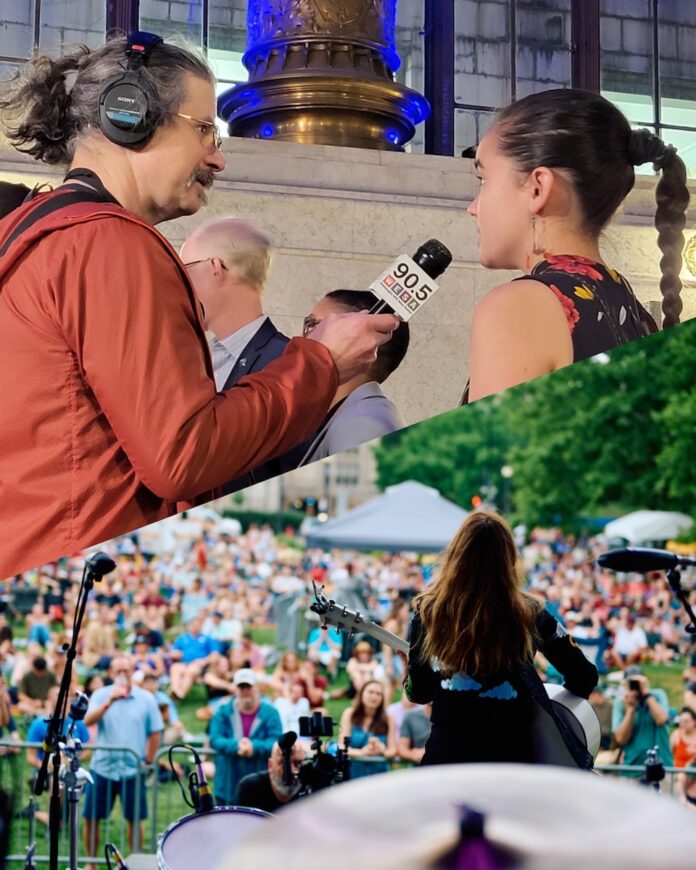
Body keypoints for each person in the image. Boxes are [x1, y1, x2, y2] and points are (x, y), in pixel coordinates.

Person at [0, 34, 400, 577]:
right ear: (131, 115)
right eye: (205, 130)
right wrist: (320, 363)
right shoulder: (110, 244)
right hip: (87, 585)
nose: (218, 157)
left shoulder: (34, 231)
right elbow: (181, 457)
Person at [464, 88, 690, 402]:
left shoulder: (519, 307)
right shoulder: (636, 316)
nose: (473, 207)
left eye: (484, 180)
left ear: (538, 188)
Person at [404, 509, 598, 765]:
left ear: (455, 556)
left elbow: (420, 693)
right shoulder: (531, 614)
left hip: (447, 759)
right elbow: (584, 677)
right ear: (508, 558)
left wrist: (410, 675)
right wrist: (544, 702)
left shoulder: (427, 612)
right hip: (511, 761)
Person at [300, 290, 410, 463]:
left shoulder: (363, 424)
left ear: (363, 345)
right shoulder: (354, 416)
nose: (300, 339)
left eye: (313, 324)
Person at [82, 656, 163, 860]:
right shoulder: (101, 695)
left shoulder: (146, 698)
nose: (122, 674)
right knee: (91, 818)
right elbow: (88, 721)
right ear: (110, 673)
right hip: (102, 768)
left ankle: (136, 862)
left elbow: (156, 731)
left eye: (126, 670)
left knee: (135, 820)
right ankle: (91, 863)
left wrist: (149, 759)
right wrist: (109, 701)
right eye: (117, 670)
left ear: (131, 672)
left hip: (132, 769)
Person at [209, 668, 282, 805]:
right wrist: (236, 746)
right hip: (227, 785)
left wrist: (253, 747)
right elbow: (215, 739)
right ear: (235, 690)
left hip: (260, 786)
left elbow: (276, 741)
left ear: (257, 688)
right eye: (241, 687)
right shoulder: (222, 712)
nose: (245, 691)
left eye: (248, 687)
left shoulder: (271, 713)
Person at [611, 667, 673, 777]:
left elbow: (661, 719)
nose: (635, 687)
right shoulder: (621, 704)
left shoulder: (658, 695)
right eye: (631, 683)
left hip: (661, 768)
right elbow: (620, 739)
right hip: (632, 769)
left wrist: (647, 695)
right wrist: (631, 708)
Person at [338, 680, 397, 779]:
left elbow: (393, 750)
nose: (374, 697)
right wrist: (363, 753)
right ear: (361, 694)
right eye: (370, 692)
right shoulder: (349, 714)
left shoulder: (388, 718)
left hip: (378, 774)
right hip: (353, 773)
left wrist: (382, 750)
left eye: (378, 694)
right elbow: (342, 747)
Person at [236, 739, 307, 813]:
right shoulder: (249, 788)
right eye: (284, 763)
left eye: (298, 763)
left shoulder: (309, 787)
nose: (292, 770)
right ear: (270, 765)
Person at [670, 706, 696, 805]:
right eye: (681, 721)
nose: (683, 724)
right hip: (679, 775)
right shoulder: (676, 735)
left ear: (694, 722)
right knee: (681, 776)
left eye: (687, 721)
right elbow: (669, 755)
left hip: (693, 775)